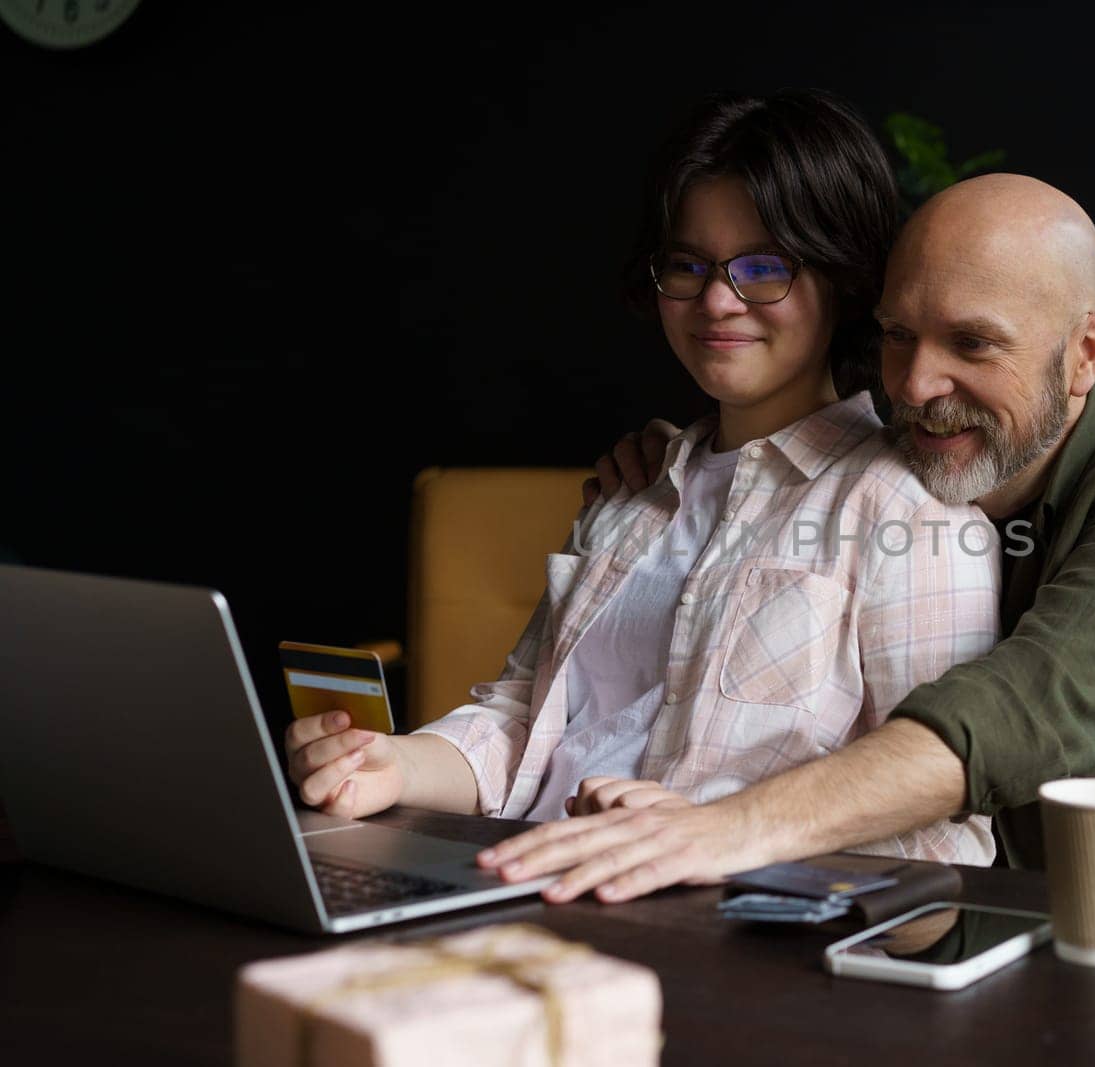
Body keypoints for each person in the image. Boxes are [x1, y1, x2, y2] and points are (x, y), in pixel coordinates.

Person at [464, 172, 1095, 906]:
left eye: (973, 344)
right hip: (898, 923)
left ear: (1086, 353)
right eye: (899, 335)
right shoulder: (908, 462)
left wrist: (722, 829)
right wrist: (689, 479)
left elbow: (1016, 709)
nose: (915, 385)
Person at [282, 89, 1001, 866]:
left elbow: (945, 833)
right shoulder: (635, 490)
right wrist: (391, 765)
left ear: (847, 279)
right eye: (688, 266)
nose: (718, 301)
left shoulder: (909, 508)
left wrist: (710, 833)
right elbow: (522, 723)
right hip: (517, 879)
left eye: (764, 267)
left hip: (712, 938)